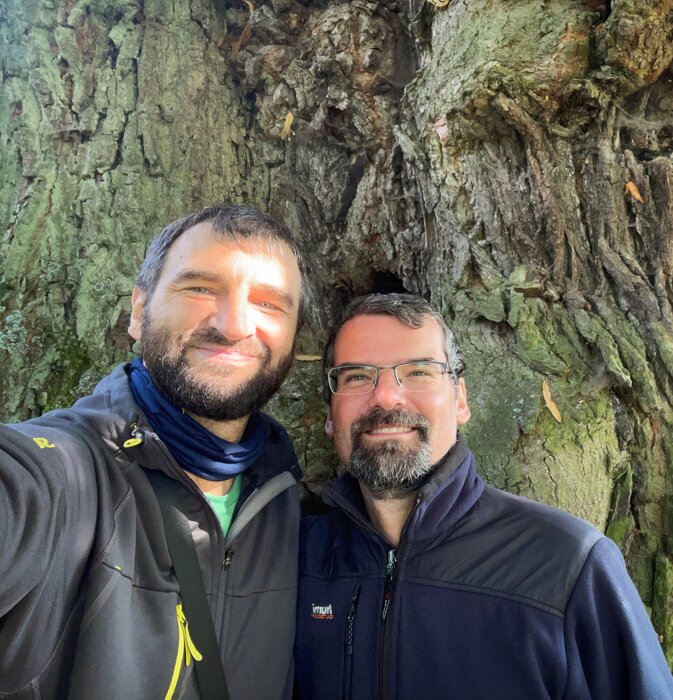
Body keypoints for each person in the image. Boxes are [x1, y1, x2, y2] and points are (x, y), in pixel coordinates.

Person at [295, 293, 673, 699]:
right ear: (330, 415)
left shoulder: (569, 566)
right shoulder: (295, 560)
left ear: (460, 400)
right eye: (356, 376)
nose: (386, 396)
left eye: (419, 371)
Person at [0, 204, 308, 700]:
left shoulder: (290, 503)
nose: (234, 325)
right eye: (200, 288)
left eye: (270, 303)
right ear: (138, 311)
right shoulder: (61, 474)